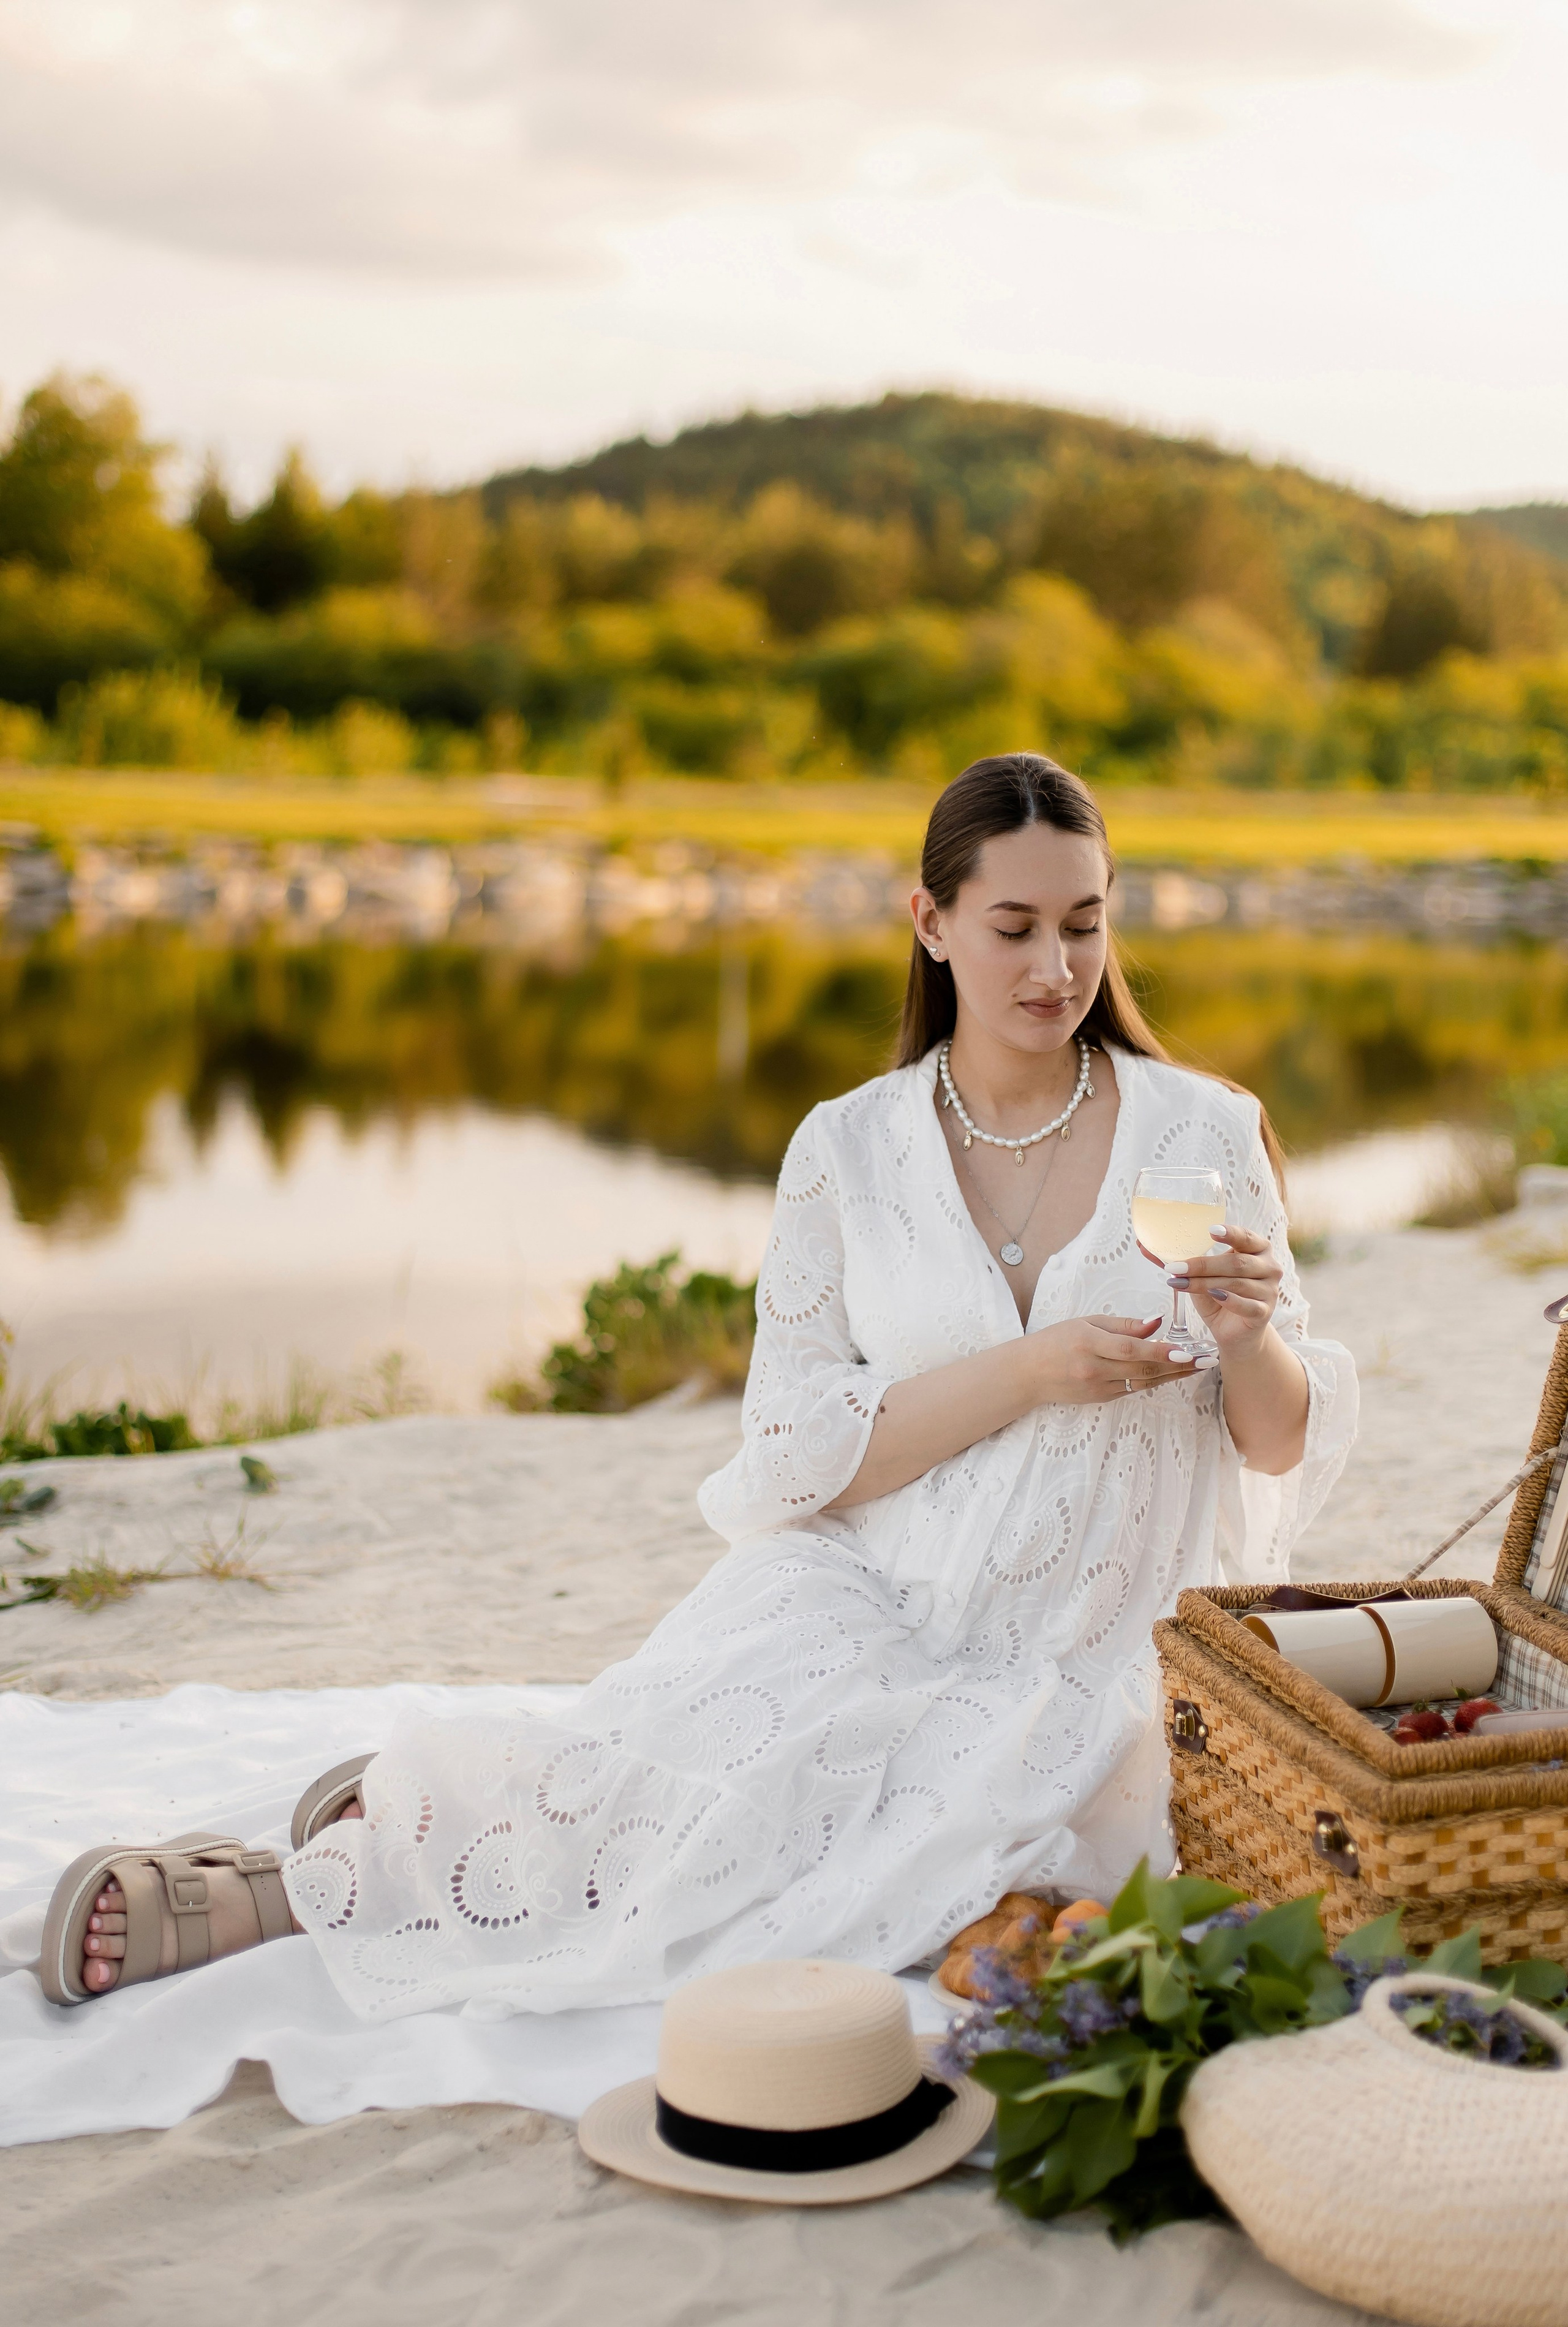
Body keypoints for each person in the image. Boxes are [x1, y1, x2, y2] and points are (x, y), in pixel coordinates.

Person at [45, 752, 1355, 2014]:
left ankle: (428, 1818)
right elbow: (791, 1451)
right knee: (729, 1764)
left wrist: (1246, 1339)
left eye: (1084, 923)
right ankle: (303, 1888)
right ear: (930, 921)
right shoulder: (844, 1149)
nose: (1055, 968)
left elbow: (1279, 1444)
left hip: (1086, 1634)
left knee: (862, 1837)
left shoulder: (1201, 1132)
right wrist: (1027, 1371)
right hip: (875, 1584)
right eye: (1011, 926)